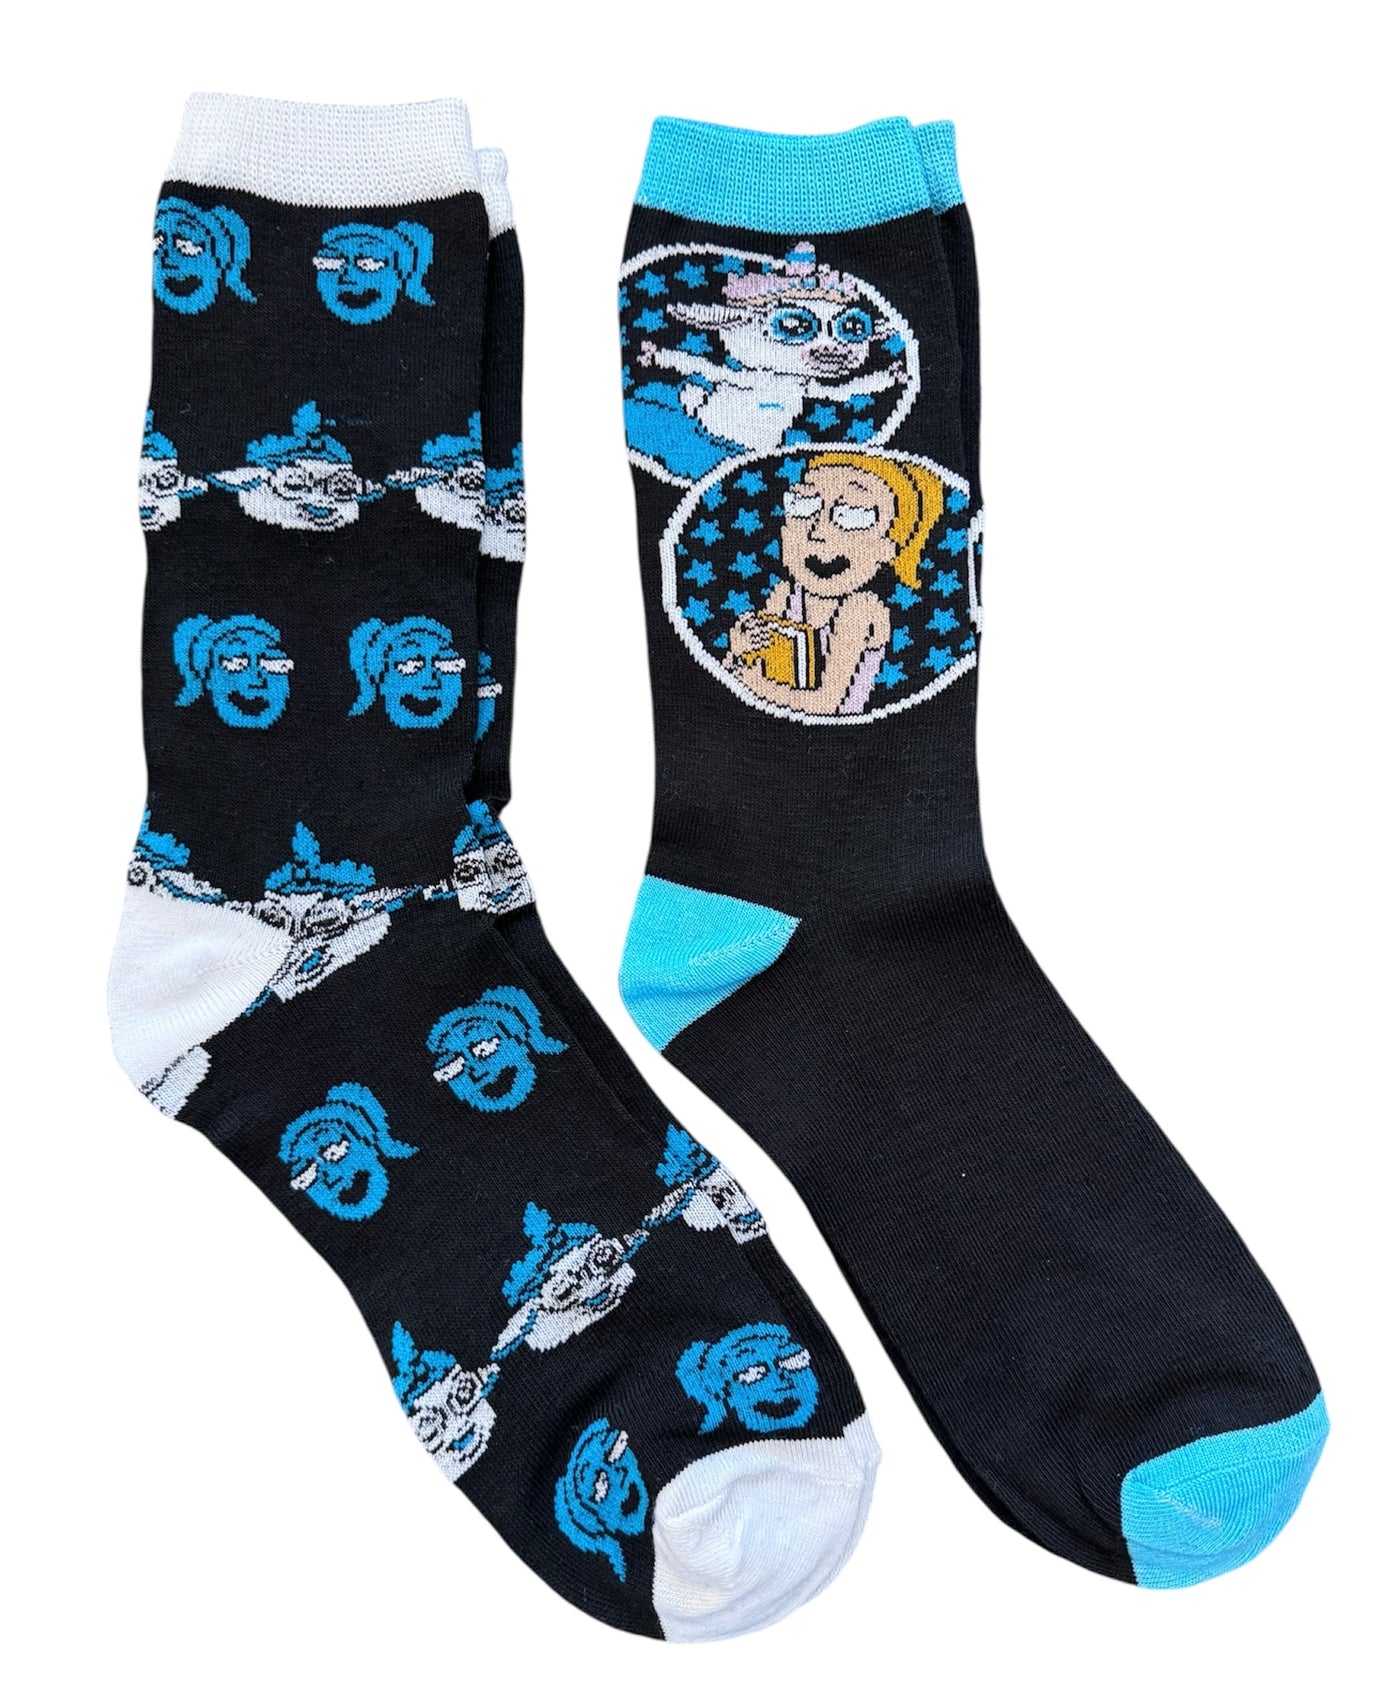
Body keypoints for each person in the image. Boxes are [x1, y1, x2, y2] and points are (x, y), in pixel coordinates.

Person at [725, 450, 944, 717]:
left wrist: (752, 684)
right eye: (805, 505)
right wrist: (739, 651)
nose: (817, 531)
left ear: (887, 546)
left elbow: (827, 703)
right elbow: (745, 669)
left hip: (852, 742)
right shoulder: (785, 595)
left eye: (851, 515)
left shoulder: (860, 609)